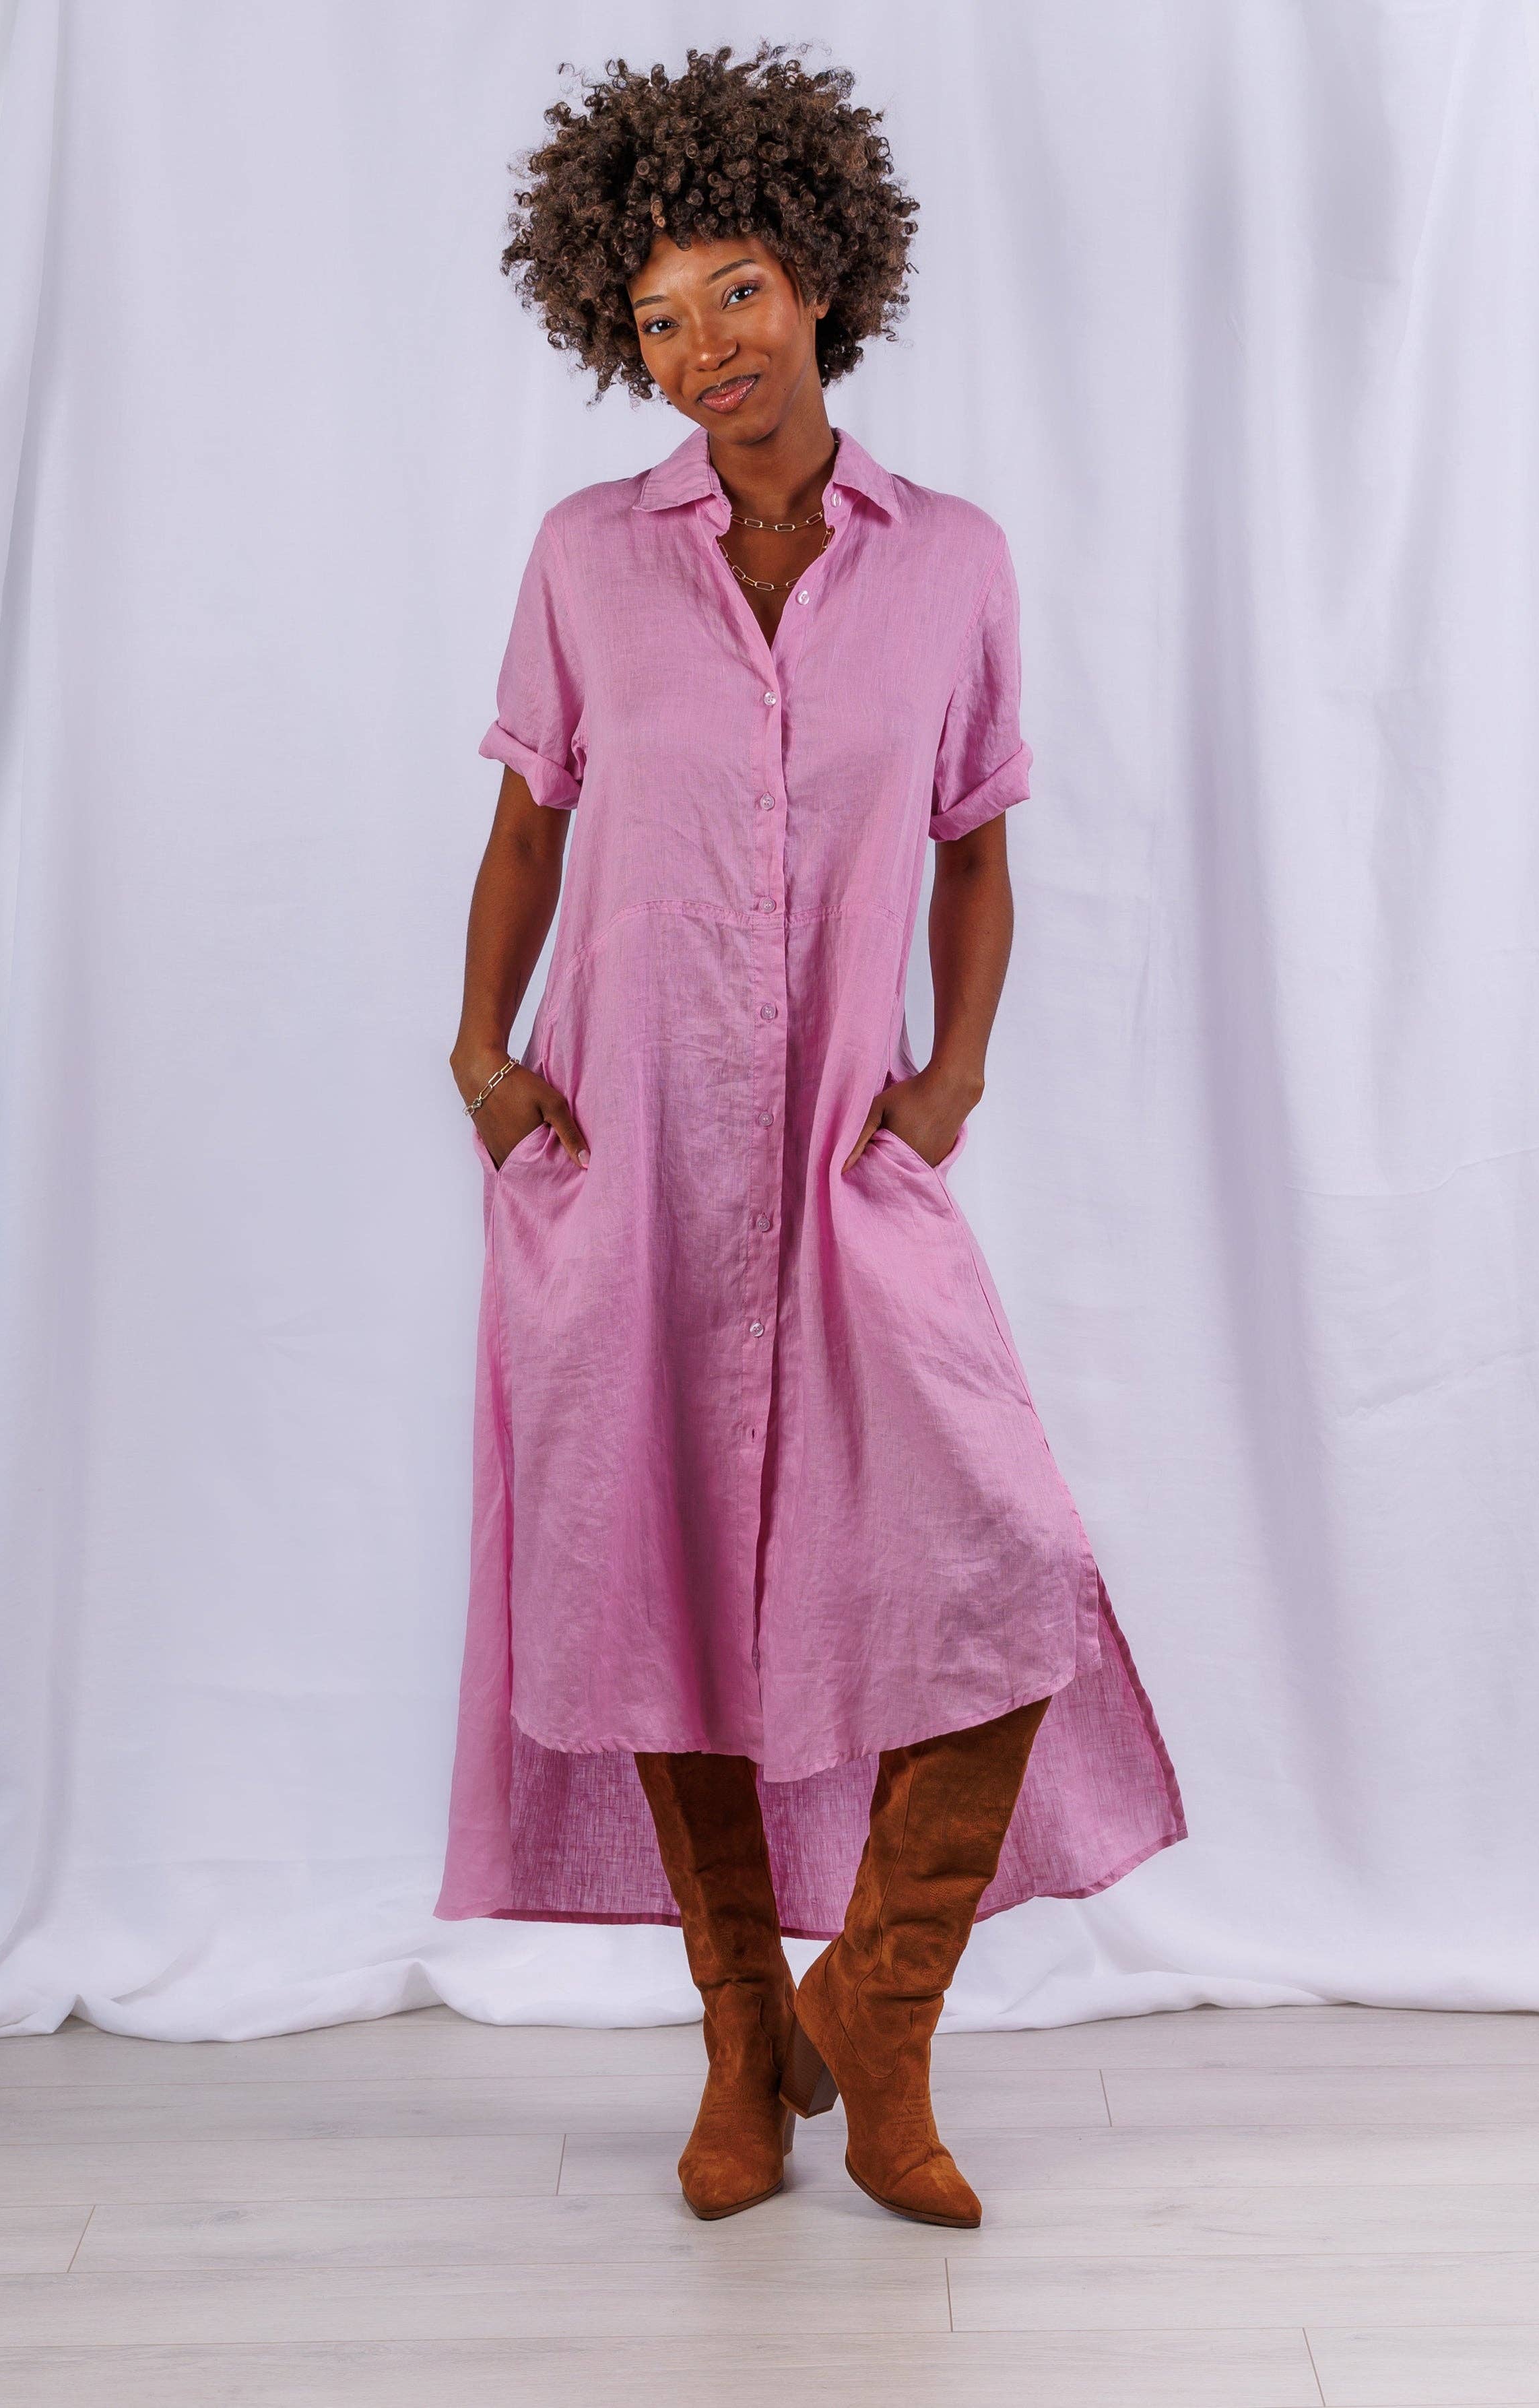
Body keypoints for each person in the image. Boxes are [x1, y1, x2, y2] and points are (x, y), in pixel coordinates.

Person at [436, 41, 1185, 2230]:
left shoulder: (952, 563)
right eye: (657, 316)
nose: (705, 350)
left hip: (853, 1163)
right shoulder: (588, 559)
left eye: (737, 292)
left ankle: (878, 2009)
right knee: (656, 1586)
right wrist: (482, 1061)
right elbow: (527, 826)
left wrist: (955, 1081)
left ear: (824, 274)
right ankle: (741, 2040)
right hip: (630, 1160)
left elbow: (976, 848)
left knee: (1007, 1566)